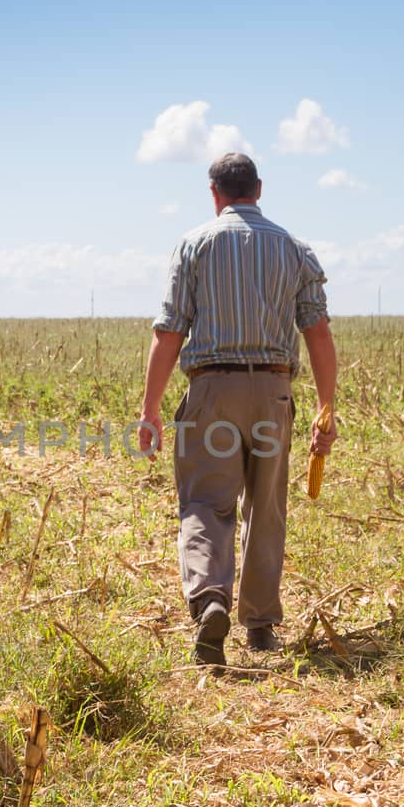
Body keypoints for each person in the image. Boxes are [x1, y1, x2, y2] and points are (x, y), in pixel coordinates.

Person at [137, 152, 338, 666]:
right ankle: (262, 625)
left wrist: (151, 409)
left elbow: (169, 332)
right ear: (259, 189)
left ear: (214, 193)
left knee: (206, 503)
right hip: (272, 394)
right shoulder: (294, 249)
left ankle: (209, 601)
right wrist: (326, 407)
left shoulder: (194, 244)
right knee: (265, 507)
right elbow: (317, 331)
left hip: (211, 391)